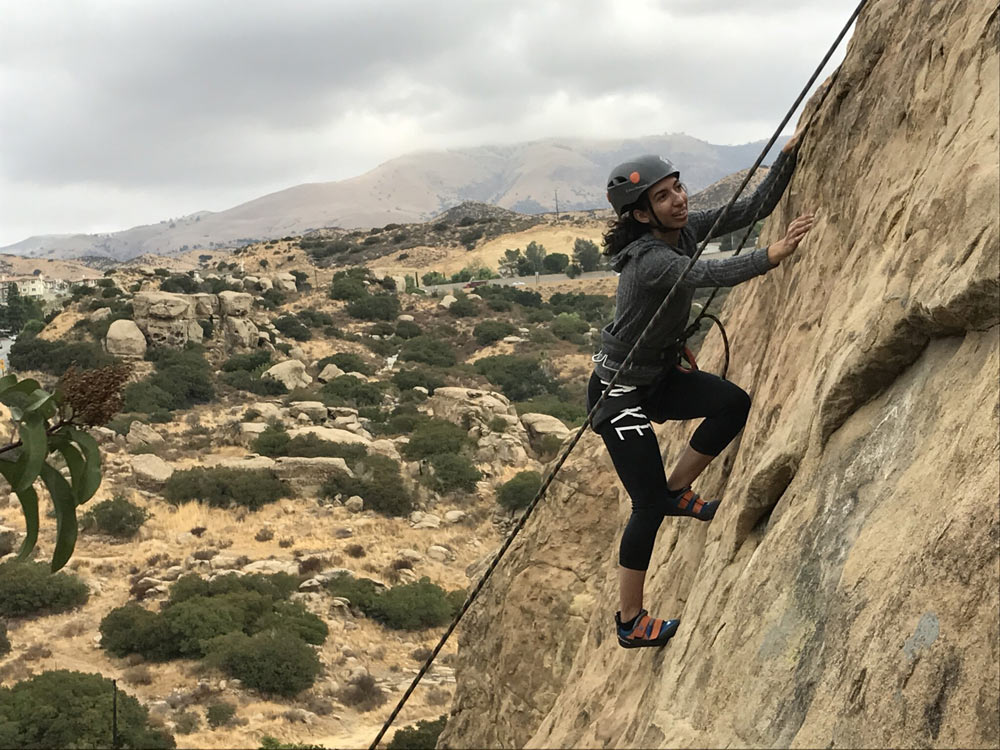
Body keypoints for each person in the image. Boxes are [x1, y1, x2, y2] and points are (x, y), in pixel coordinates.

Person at [589, 131, 815, 649]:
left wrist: (787, 154)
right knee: (644, 507)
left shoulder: (682, 232)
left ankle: (677, 491)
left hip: (657, 375)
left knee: (731, 404)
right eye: (663, 197)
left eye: (678, 188)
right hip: (618, 392)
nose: (679, 200)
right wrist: (772, 253)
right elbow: (712, 272)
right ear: (642, 215)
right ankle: (630, 622)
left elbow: (752, 206)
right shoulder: (650, 259)